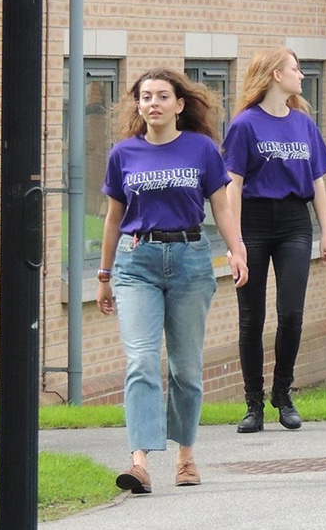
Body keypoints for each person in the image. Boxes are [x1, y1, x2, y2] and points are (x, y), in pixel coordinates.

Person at [95, 68, 249, 495]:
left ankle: (185, 455)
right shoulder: (123, 153)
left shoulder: (202, 149)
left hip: (189, 260)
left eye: (163, 96)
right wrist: (104, 275)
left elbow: (221, 206)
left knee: (185, 367)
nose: (154, 103)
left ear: (179, 105)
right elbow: (112, 219)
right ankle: (140, 462)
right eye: (146, 97)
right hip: (135, 263)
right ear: (138, 105)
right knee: (141, 361)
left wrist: (236, 249)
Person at [223, 47, 326, 433]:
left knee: (291, 312)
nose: (301, 76)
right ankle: (253, 404)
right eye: (295, 69)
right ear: (274, 75)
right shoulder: (244, 125)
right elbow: (232, 186)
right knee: (251, 318)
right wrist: (234, 240)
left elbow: (318, 181)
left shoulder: (303, 124)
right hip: (253, 222)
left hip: (293, 222)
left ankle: (282, 394)